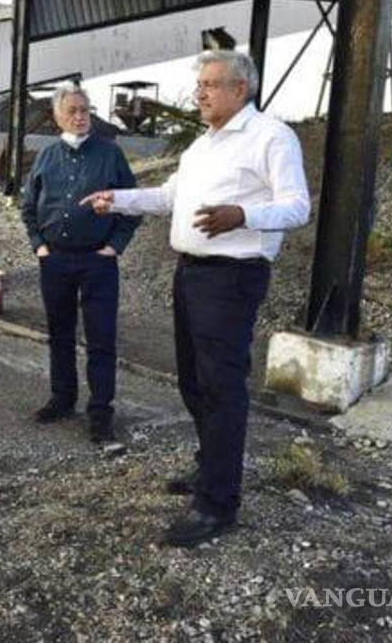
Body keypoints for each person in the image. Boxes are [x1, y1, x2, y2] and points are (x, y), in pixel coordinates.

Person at [82, 50, 310, 547]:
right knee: (193, 380)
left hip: (233, 276)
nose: (199, 93)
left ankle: (217, 504)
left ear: (239, 89)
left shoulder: (270, 136)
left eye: (210, 84)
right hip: (191, 272)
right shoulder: (201, 146)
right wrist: (116, 199)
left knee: (222, 386)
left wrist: (242, 215)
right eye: (199, 84)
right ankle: (211, 468)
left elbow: (298, 207)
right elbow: (169, 197)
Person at [21, 82, 141, 444]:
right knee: (59, 333)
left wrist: (114, 246)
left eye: (84, 110)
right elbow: (29, 207)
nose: (79, 117)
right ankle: (62, 398)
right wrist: (39, 245)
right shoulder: (45, 157)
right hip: (55, 259)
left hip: (97, 261)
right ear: (57, 116)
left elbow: (131, 204)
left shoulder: (110, 154)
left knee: (101, 338)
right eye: (71, 111)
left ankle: (101, 411)